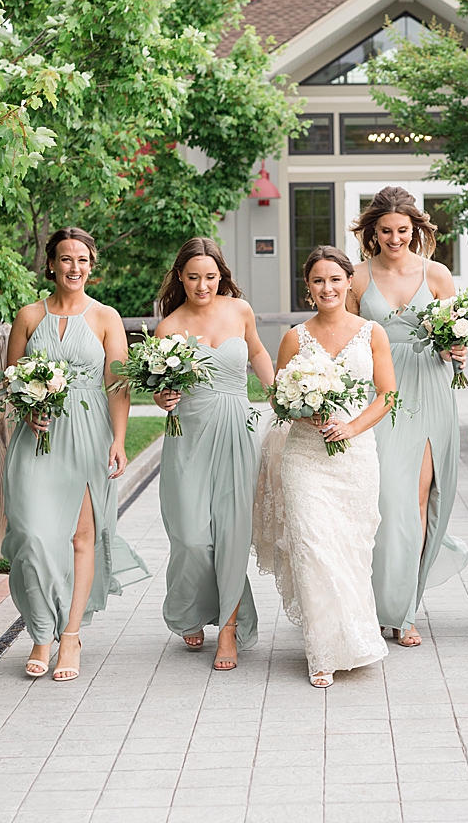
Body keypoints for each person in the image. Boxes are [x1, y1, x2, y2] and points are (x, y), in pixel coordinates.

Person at [3, 227, 148, 682]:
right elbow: (12, 379)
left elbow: (118, 385)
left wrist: (119, 440)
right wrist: (28, 412)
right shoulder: (28, 316)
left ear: (92, 265)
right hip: (39, 437)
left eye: (82, 260)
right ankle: (41, 627)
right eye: (66, 259)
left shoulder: (106, 317)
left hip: (88, 435)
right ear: (51, 264)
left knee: (80, 539)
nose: (74, 268)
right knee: (31, 537)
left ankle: (65, 637)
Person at [254, 246, 398, 687]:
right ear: (308, 287)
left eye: (335, 279)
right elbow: (278, 399)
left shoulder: (372, 333)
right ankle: (321, 653)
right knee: (313, 548)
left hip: (354, 456)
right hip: (304, 457)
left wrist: (352, 427)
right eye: (318, 280)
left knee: (351, 550)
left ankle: (352, 639)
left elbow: (387, 395)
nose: (327, 288)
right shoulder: (295, 337)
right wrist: (306, 412)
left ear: (349, 282)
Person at [346, 187, 468, 648]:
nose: (395, 239)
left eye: (402, 230)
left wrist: (458, 348)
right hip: (379, 393)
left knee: (417, 499)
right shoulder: (356, 278)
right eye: (385, 231)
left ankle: (405, 608)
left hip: (430, 390)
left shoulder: (436, 275)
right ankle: (377, 600)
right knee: (383, 499)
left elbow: (459, 334)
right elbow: (348, 339)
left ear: (416, 230)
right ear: (371, 233)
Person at [151, 238, 276, 671]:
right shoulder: (169, 327)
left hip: (237, 428)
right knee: (191, 536)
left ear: (221, 275)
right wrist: (163, 398)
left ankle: (227, 629)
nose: (202, 285)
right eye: (193, 277)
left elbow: (257, 351)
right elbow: (160, 387)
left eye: (210, 276)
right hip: (189, 432)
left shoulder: (239, 310)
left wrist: (277, 392)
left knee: (231, 533)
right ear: (180, 277)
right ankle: (190, 606)